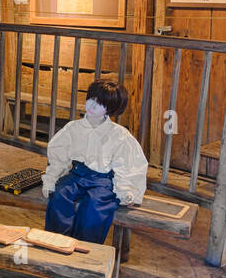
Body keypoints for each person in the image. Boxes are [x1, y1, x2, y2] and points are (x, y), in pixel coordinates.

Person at [42, 79, 148, 244]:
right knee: (60, 195)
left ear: (110, 109)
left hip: (102, 180)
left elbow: (128, 164)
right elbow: (58, 156)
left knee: (95, 206)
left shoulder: (119, 135)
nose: (91, 106)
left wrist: (126, 190)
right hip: (77, 174)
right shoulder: (73, 128)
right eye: (91, 99)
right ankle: (56, 244)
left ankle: (84, 249)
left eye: (99, 104)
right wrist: (52, 178)